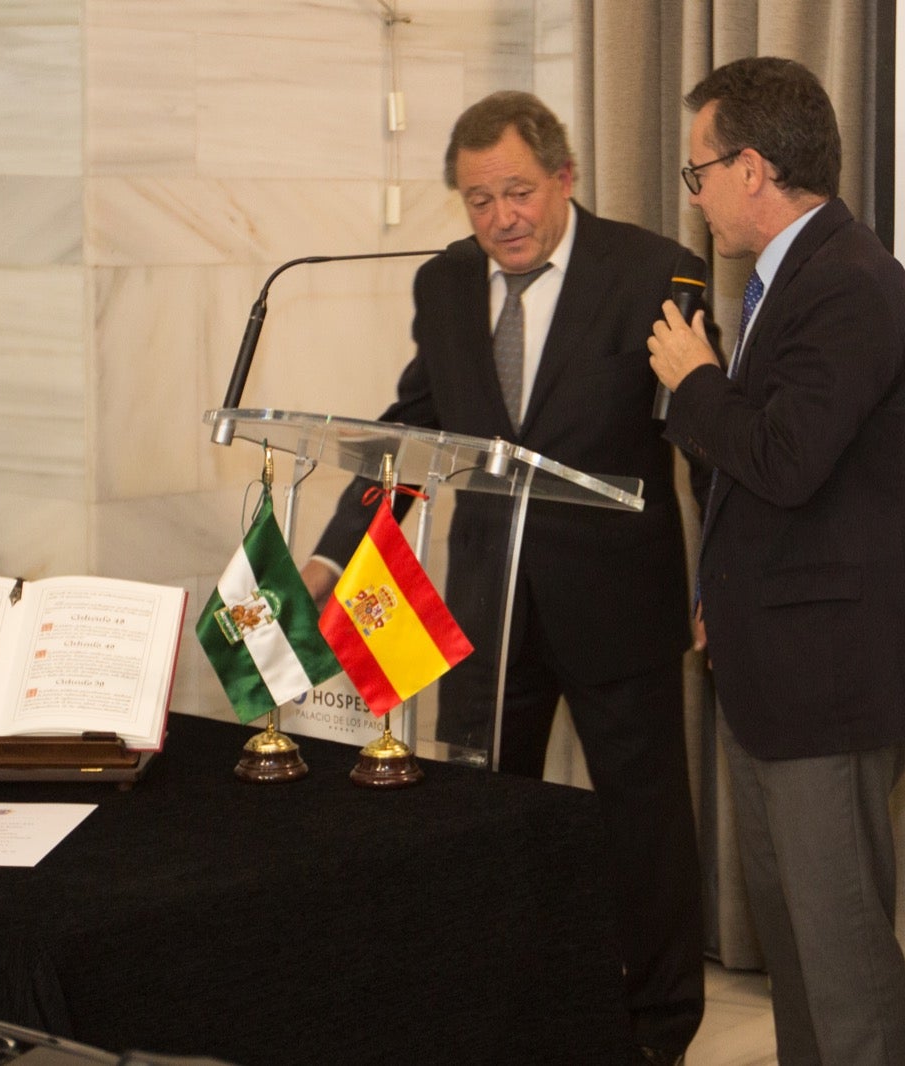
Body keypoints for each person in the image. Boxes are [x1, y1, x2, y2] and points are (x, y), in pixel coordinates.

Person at [302, 90, 706, 1065]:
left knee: (644, 829)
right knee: (478, 818)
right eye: (479, 200)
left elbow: (705, 441)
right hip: (489, 604)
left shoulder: (653, 271)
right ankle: (499, 1011)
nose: (502, 219)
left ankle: (657, 1032)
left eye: (518, 192)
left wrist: (721, 582)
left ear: (564, 178)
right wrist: (332, 551)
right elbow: (413, 428)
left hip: (617, 607)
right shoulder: (445, 283)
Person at [646, 57, 905, 1065]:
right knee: (796, 951)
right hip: (774, 661)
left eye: (698, 173)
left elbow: (786, 457)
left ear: (751, 168)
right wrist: (719, 592)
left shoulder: (849, 281)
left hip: (829, 677)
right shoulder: (790, 281)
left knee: (842, 962)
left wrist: (695, 381)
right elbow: (766, 480)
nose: (695, 199)